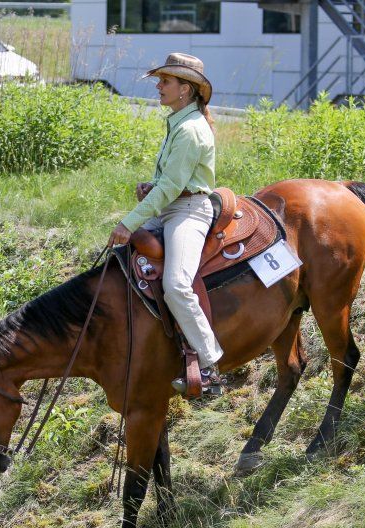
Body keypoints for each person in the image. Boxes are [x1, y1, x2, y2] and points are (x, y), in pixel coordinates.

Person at [108, 53, 224, 396]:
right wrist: (151, 185)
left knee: (175, 285)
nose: (158, 87)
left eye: (165, 81)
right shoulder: (178, 121)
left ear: (185, 90)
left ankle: (209, 363)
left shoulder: (189, 129)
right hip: (173, 206)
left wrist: (129, 223)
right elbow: (169, 180)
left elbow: (173, 188)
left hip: (187, 211)